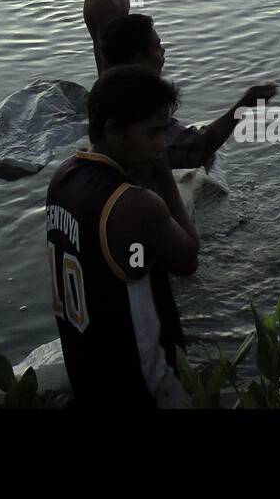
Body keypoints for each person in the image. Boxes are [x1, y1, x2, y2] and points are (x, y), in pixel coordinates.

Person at [45, 66, 197, 408]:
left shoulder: (63, 178)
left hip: (92, 382)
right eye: (153, 133)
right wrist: (163, 176)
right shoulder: (135, 206)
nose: (162, 145)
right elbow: (189, 258)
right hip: (146, 391)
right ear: (113, 129)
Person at [99, 13, 278, 170]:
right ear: (138, 60)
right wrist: (245, 103)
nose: (163, 51)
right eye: (156, 47)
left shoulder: (104, 94)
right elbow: (199, 149)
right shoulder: (141, 106)